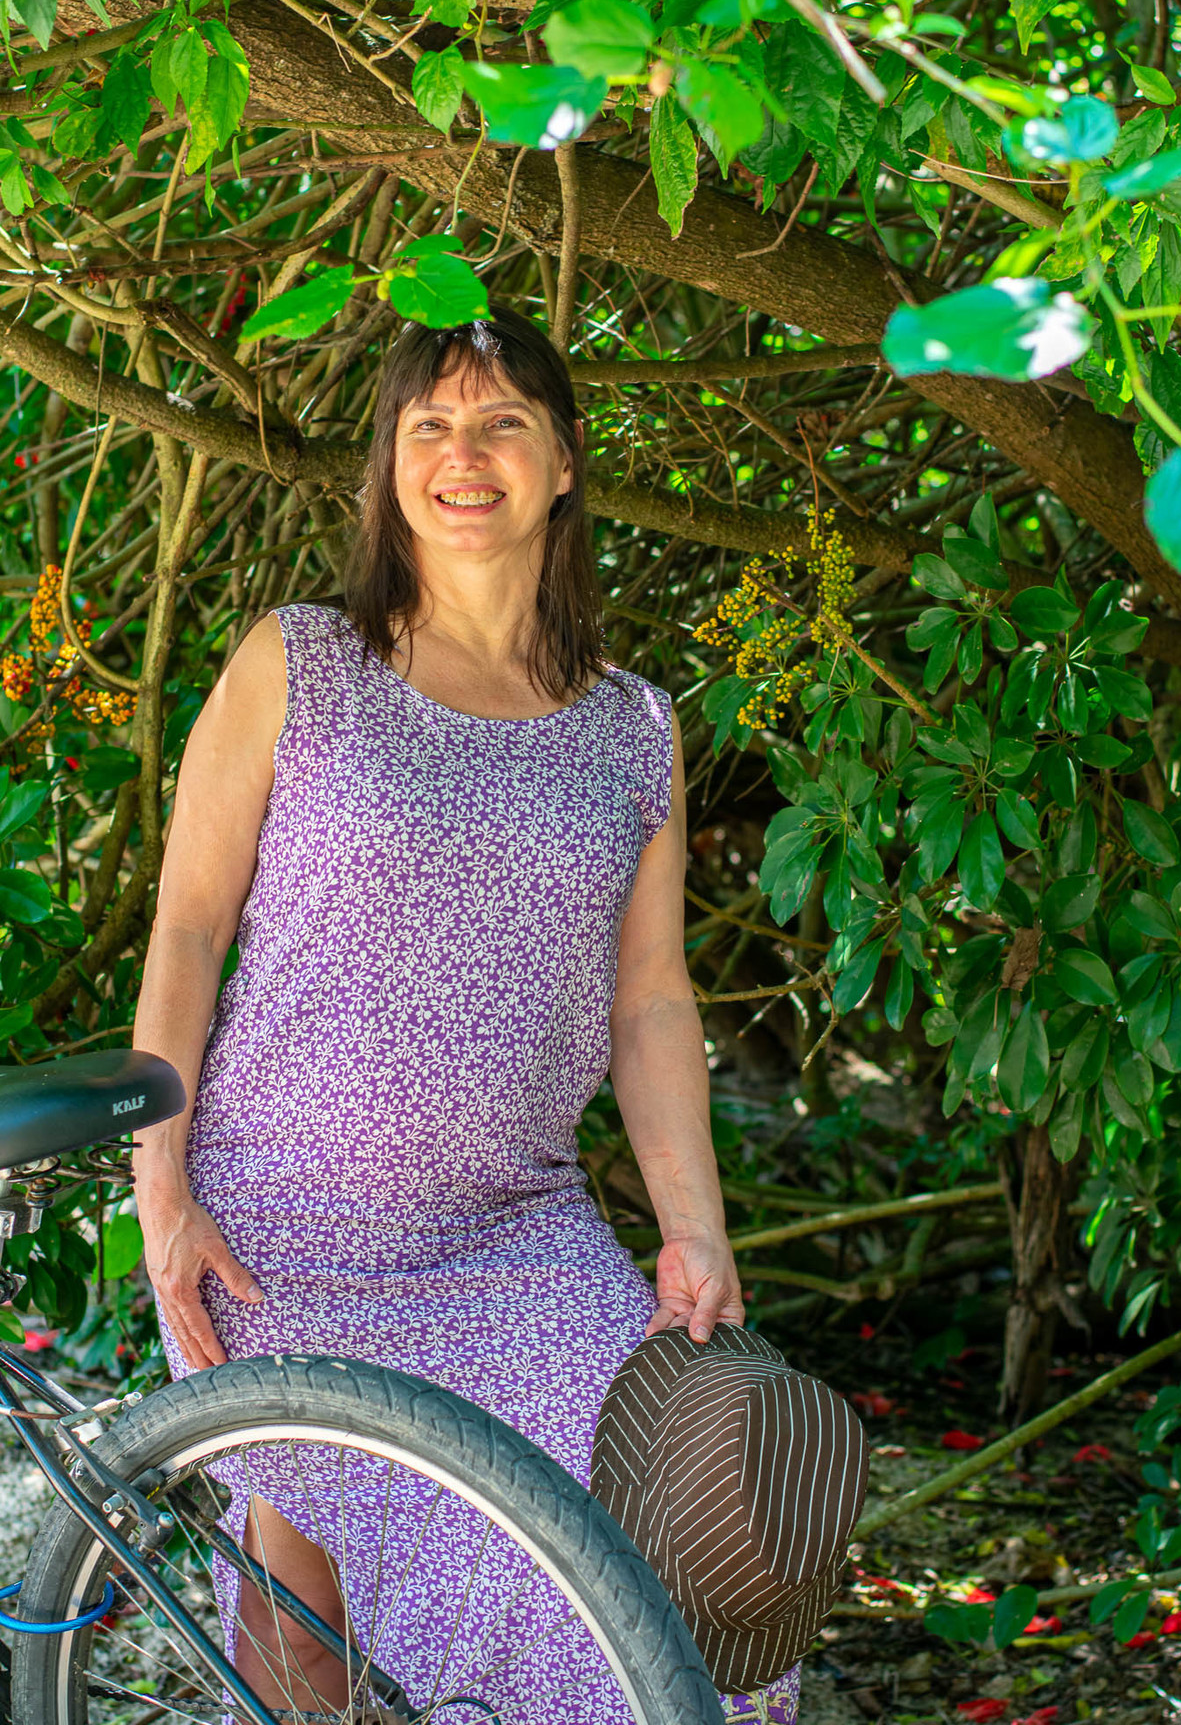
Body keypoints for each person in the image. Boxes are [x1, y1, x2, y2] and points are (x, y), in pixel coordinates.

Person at [131, 306, 800, 1722]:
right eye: (428, 425)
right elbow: (187, 928)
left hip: (517, 1233)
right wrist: (161, 1184)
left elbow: (653, 1008)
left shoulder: (634, 727)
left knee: (701, 1532)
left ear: (562, 462)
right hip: (283, 1234)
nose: (463, 453)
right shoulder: (299, 663)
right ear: (385, 468)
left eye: (502, 421)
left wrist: (696, 1228)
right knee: (310, 1635)